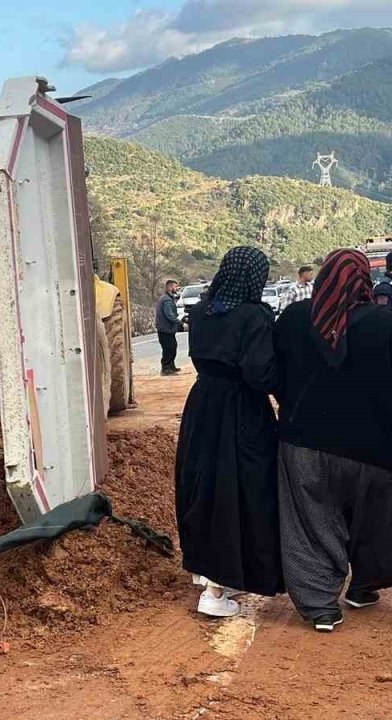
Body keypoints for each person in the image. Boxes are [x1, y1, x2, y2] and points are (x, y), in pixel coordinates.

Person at [273, 249, 392, 633]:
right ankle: (364, 585)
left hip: (305, 442)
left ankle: (321, 606)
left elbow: (273, 373)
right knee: (373, 521)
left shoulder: (293, 319)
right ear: (364, 280)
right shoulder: (383, 323)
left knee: (311, 522)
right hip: (375, 447)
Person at [175, 246, 282, 618]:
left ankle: (208, 572)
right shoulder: (254, 316)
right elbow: (259, 373)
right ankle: (218, 587)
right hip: (241, 410)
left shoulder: (201, 312)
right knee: (241, 489)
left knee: (204, 485)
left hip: (203, 405)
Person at [154, 280, 181, 375]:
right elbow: (169, 315)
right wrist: (180, 323)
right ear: (169, 288)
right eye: (175, 286)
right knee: (168, 348)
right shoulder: (167, 300)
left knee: (172, 347)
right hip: (165, 329)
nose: (177, 288)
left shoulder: (168, 298)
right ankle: (165, 368)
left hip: (167, 329)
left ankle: (171, 366)